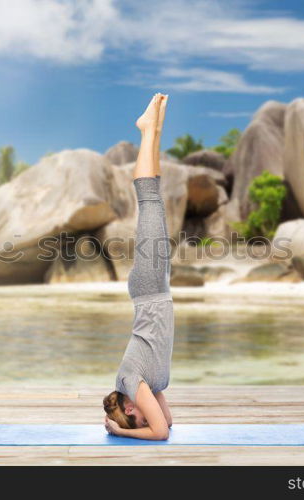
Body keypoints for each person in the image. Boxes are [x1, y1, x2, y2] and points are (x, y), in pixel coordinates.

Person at [103, 93, 174, 441]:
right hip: (159, 288)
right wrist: (142, 420)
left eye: (134, 417)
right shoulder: (152, 385)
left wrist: (121, 430)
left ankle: (147, 130)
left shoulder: (130, 381)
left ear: (128, 407)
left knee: (149, 200)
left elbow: (159, 433)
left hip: (148, 289)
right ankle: (154, 131)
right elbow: (168, 423)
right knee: (155, 200)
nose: (144, 416)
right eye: (139, 419)